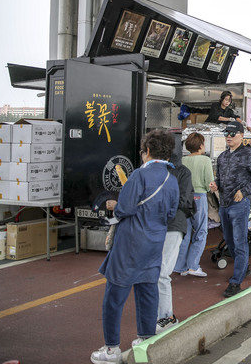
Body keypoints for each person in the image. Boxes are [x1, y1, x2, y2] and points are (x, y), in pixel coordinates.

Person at [91, 130, 179, 364]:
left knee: (114, 296)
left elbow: (124, 209)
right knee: (148, 292)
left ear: (147, 151)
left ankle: (111, 349)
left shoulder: (139, 175)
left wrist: (115, 205)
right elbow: (171, 213)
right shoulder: (172, 178)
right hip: (154, 242)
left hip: (130, 243)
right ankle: (146, 339)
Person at [210, 121, 251, 298]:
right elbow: (220, 178)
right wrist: (216, 184)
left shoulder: (249, 154)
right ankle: (244, 267)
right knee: (229, 239)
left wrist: (244, 192)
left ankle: (236, 281)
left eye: (232, 133)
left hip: (240, 206)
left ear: (242, 135)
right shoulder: (222, 157)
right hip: (224, 205)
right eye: (226, 133)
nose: (228, 136)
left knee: (239, 240)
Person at [157, 145, 195, 333]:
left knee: (161, 272)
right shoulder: (148, 171)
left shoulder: (181, 172)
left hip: (173, 225)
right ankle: (158, 314)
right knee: (154, 272)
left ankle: (167, 316)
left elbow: (186, 201)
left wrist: (160, 201)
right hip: (154, 226)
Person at [174, 132, 215, 278]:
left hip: (184, 198)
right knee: (201, 231)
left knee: (185, 232)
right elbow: (209, 183)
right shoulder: (205, 160)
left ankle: (180, 266)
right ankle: (193, 265)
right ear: (200, 145)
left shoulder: (182, 160)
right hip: (199, 197)